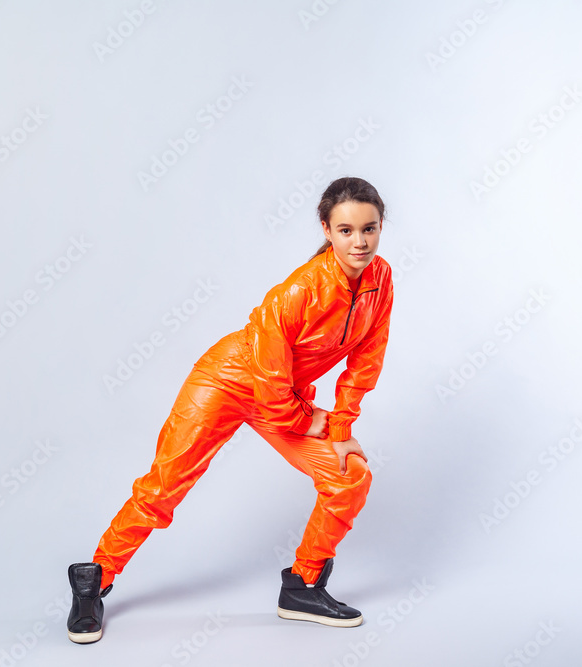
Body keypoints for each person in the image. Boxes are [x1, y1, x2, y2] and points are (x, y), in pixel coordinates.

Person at [66, 176, 394, 644]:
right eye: (346, 230)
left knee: (350, 474)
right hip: (227, 380)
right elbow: (271, 379)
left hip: (280, 394)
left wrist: (340, 425)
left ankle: (301, 586)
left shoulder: (379, 282)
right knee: (164, 488)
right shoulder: (297, 292)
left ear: (381, 227)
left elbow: (367, 359)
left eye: (370, 228)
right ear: (326, 229)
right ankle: (94, 580)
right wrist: (309, 419)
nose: (359, 241)